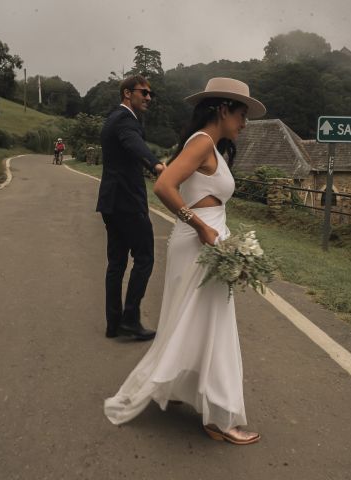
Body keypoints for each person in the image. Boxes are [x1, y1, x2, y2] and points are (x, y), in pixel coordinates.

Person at [104, 78, 266, 445]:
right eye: (242, 114)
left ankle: (188, 391)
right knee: (214, 326)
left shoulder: (212, 146)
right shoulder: (203, 143)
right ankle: (219, 417)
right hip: (200, 243)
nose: (244, 123)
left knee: (197, 322)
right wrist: (203, 230)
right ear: (223, 110)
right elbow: (164, 187)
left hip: (205, 242)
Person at [96, 75, 166, 341]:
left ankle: (113, 323)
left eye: (150, 94)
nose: (149, 97)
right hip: (127, 202)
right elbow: (133, 144)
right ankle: (130, 318)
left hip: (111, 201)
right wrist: (156, 164)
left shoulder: (112, 117)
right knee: (145, 257)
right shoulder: (126, 120)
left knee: (116, 263)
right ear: (127, 94)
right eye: (144, 93)